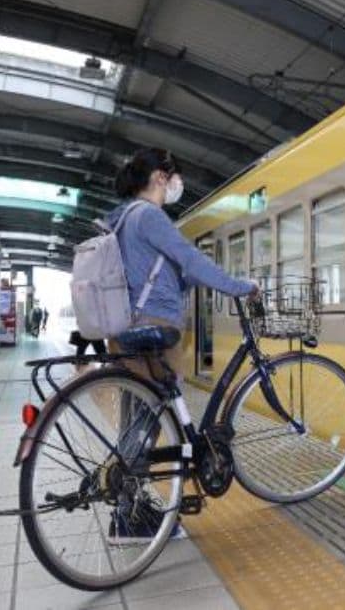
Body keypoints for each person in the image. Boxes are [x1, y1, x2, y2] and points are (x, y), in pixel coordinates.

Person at [105, 148, 258, 544]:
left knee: (139, 416)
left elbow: (160, 273)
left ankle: (129, 508)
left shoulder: (123, 218)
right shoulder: (149, 215)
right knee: (147, 421)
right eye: (173, 177)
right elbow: (190, 259)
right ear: (159, 177)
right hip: (153, 327)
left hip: (128, 326)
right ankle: (128, 514)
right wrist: (242, 287)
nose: (176, 185)